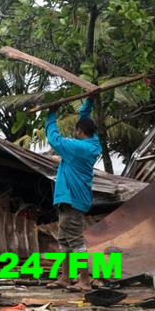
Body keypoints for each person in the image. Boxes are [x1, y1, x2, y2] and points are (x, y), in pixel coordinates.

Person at [45, 97, 102, 291]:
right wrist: (89, 101)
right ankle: (65, 277)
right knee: (64, 240)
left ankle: (84, 281)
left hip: (72, 200)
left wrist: (51, 114)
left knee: (75, 242)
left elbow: (54, 139)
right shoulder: (92, 143)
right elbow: (85, 119)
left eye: (76, 130)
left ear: (79, 132)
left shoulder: (77, 148)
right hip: (70, 200)